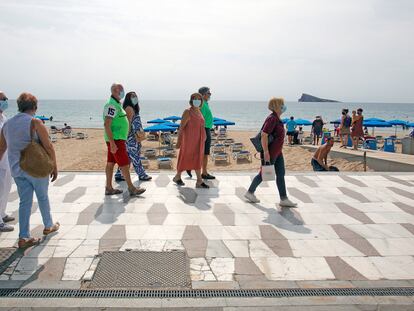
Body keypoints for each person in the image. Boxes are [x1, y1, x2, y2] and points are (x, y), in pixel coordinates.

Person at [0, 93, 59, 248]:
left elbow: (2, 148)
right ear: (34, 107)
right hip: (36, 169)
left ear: (19, 106)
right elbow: (48, 146)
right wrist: (54, 165)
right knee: (42, 197)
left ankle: (24, 237)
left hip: (17, 170)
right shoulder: (35, 122)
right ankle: (48, 225)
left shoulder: (7, 124)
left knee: (24, 202)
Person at [244, 97, 297, 208]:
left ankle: (284, 199)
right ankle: (250, 192)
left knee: (281, 174)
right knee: (264, 173)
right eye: (282, 105)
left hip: (278, 152)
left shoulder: (277, 119)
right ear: (276, 106)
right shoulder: (272, 118)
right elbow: (264, 135)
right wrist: (266, 152)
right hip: (271, 152)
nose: (283, 107)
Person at [103, 83, 146, 196]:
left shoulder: (117, 104)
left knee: (111, 163)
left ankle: (108, 187)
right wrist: (112, 142)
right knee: (124, 163)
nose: (122, 91)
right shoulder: (111, 105)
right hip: (116, 140)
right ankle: (131, 188)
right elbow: (107, 124)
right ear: (114, 91)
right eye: (120, 89)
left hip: (117, 139)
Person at [173, 93, 209, 189]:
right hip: (189, 141)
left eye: (199, 99)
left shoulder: (199, 111)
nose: (197, 100)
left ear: (201, 101)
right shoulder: (187, 112)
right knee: (185, 158)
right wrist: (179, 141)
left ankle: (199, 181)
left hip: (199, 141)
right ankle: (178, 176)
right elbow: (181, 128)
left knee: (198, 159)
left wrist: (204, 137)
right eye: (195, 99)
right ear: (191, 100)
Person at [114, 92, 151, 182]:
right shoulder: (129, 108)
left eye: (136, 96)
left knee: (128, 157)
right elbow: (128, 123)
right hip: (130, 137)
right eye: (133, 97)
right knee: (135, 156)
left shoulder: (134, 108)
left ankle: (119, 173)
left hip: (135, 136)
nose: (135, 98)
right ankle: (141, 174)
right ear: (128, 99)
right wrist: (126, 137)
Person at [0, 91, 14, 232]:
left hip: (7, 159)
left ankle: (2, 214)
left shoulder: (3, 117)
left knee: (6, 188)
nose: (5, 100)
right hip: (0, 159)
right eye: (3, 99)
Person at [198, 86, 215, 180]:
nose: (210, 95)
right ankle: (204, 172)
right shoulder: (202, 104)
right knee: (204, 153)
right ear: (203, 94)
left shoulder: (205, 103)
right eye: (209, 93)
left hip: (207, 129)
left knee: (205, 153)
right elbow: (200, 119)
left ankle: (204, 171)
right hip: (204, 129)